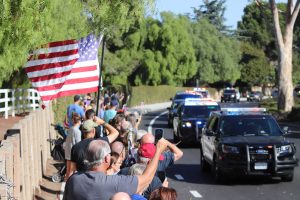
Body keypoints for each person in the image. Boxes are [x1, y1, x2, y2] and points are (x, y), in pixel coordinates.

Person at [63, 138, 169, 200]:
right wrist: (158, 150)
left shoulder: (73, 179)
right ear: (106, 158)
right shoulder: (113, 183)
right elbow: (146, 179)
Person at [64, 113, 82, 181]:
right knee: (72, 172)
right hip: (73, 153)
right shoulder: (77, 131)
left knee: (68, 171)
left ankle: (66, 187)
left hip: (68, 151)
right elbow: (78, 144)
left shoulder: (71, 129)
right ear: (79, 121)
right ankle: (69, 188)